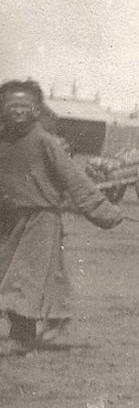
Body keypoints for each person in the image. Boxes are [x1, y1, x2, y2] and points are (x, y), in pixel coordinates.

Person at [0, 79, 123, 355]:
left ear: (36, 110)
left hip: (40, 221)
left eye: (24, 106)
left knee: (26, 277)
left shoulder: (46, 142)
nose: (17, 111)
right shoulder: (2, 142)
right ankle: (40, 328)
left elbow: (75, 179)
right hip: (7, 222)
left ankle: (21, 337)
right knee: (9, 274)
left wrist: (105, 213)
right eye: (11, 105)